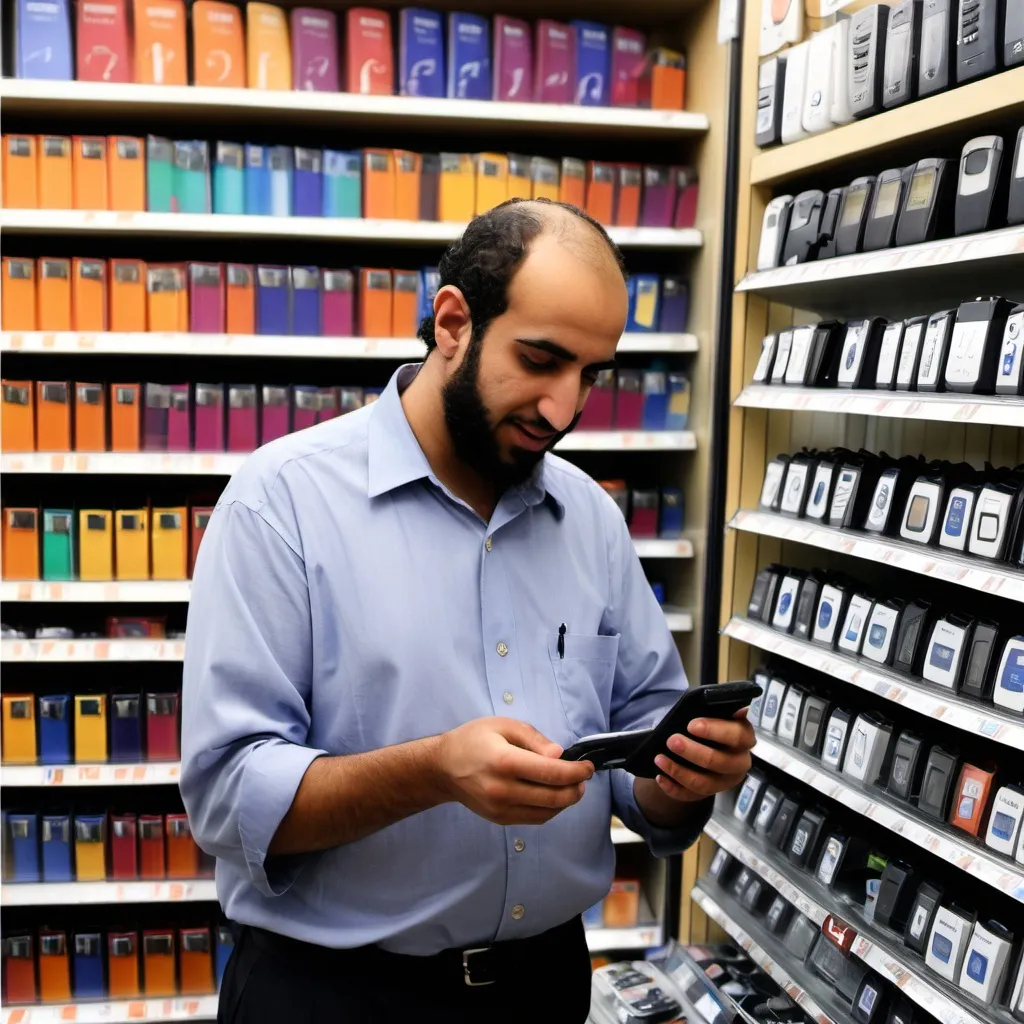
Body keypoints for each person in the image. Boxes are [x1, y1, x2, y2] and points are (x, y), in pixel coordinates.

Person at [180, 198, 756, 1023]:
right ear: (453, 322)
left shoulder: (590, 519)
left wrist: (683, 775)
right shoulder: (282, 503)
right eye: (540, 359)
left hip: (543, 988)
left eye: (590, 374)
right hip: (336, 998)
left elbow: (641, 771)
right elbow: (228, 797)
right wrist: (436, 770)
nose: (564, 410)